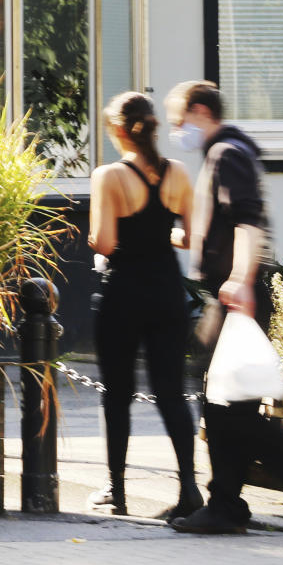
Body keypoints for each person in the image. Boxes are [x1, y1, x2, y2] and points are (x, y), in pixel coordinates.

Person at [164, 79, 283, 535]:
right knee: (227, 406)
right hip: (230, 293)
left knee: (229, 408)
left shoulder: (226, 153)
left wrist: (239, 279)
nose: (178, 132)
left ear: (198, 110)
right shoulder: (229, 153)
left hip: (235, 294)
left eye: (179, 122)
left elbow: (248, 221)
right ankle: (226, 504)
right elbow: (226, 226)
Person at [88, 91, 202, 521]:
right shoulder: (179, 172)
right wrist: (157, 235)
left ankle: (117, 490)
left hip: (125, 293)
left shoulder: (109, 176)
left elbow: (104, 242)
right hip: (169, 291)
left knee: (116, 395)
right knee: (171, 392)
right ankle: (190, 488)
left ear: (118, 130)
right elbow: (188, 238)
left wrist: (112, 240)